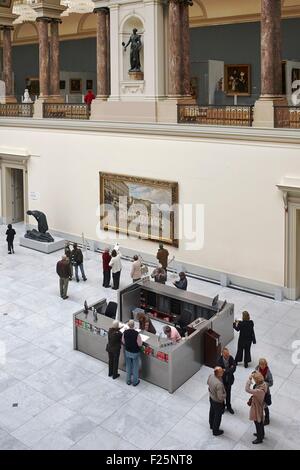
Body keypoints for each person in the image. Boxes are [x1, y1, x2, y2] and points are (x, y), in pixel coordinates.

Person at [245, 371, 267, 444]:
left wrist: (249, 379)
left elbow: (247, 389)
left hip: (257, 407)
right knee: (260, 421)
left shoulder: (258, 391)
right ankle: (261, 434)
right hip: (260, 405)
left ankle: (259, 438)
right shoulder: (264, 384)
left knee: (257, 422)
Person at [122, 319, 142, 386]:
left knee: (128, 366)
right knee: (135, 367)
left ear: (128, 325)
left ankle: (128, 381)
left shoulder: (125, 332)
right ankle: (135, 382)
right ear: (134, 326)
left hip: (127, 351)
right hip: (135, 352)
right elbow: (140, 344)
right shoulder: (136, 334)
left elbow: (123, 341)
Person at [207, 367, 226, 436]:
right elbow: (220, 397)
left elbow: (208, 383)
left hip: (211, 398)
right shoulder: (219, 384)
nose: (223, 372)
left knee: (212, 411)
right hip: (217, 402)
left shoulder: (211, 376)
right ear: (218, 374)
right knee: (218, 416)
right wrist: (225, 395)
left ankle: (211, 425)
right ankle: (215, 431)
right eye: (221, 371)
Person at [217, 347, 236, 414]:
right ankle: (222, 407)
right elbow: (220, 372)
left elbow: (234, 368)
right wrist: (229, 369)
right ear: (222, 354)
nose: (228, 356)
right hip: (222, 381)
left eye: (228, 354)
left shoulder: (231, 358)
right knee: (222, 394)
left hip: (229, 380)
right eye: (226, 355)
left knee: (228, 394)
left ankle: (228, 406)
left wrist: (225, 370)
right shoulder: (219, 360)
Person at [255, 358, 273, 425]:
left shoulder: (268, 373)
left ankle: (267, 419)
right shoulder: (257, 369)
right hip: (258, 389)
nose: (262, 366)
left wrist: (263, 383)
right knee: (259, 404)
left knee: (265, 405)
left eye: (263, 365)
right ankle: (260, 415)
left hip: (265, 391)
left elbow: (271, 383)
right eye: (261, 364)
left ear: (266, 364)